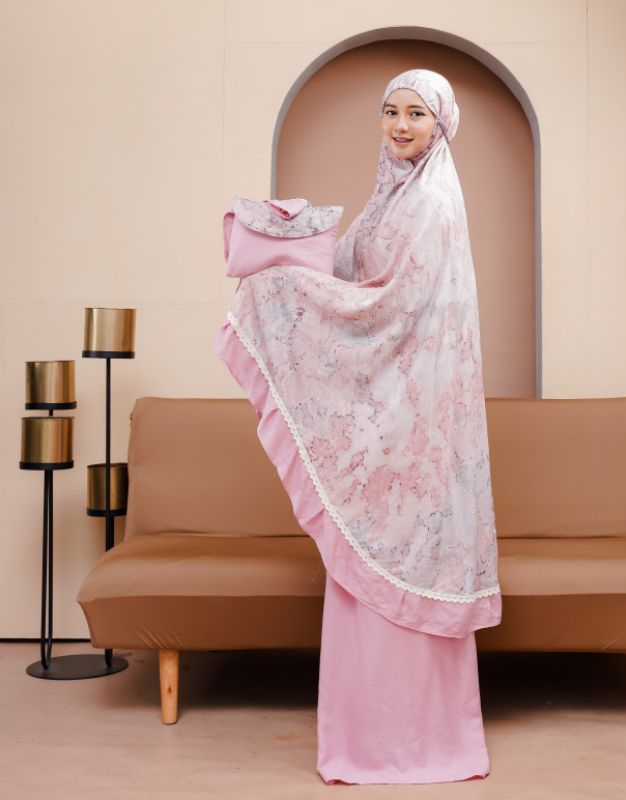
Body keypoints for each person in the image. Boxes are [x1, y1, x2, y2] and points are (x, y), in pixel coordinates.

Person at [214, 68, 501, 785]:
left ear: (442, 125)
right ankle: (367, 740)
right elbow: (350, 278)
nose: (401, 126)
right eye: (390, 111)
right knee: (366, 556)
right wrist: (286, 262)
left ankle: (420, 742)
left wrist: (286, 286)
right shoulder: (389, 197)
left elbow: (389, 308)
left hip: (414, 419)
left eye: (417, 114)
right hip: (385, 419)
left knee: (399, 551)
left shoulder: (432, 202)